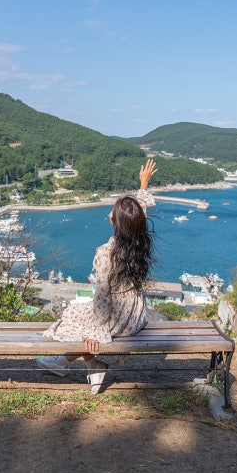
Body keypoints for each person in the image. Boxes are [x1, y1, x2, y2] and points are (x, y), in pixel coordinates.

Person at [37, 159, 158, 394]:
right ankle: (86, 364)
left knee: (71, 315)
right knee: (82, 318)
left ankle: (69, 362)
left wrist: (96, 332)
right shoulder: (139, 240)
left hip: (115, 318)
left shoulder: (106, 254)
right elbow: (139, 212)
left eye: (113, 211)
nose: (109, 212)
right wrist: (142, 184)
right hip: (135, 315)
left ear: (116, 221)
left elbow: (102, 299)